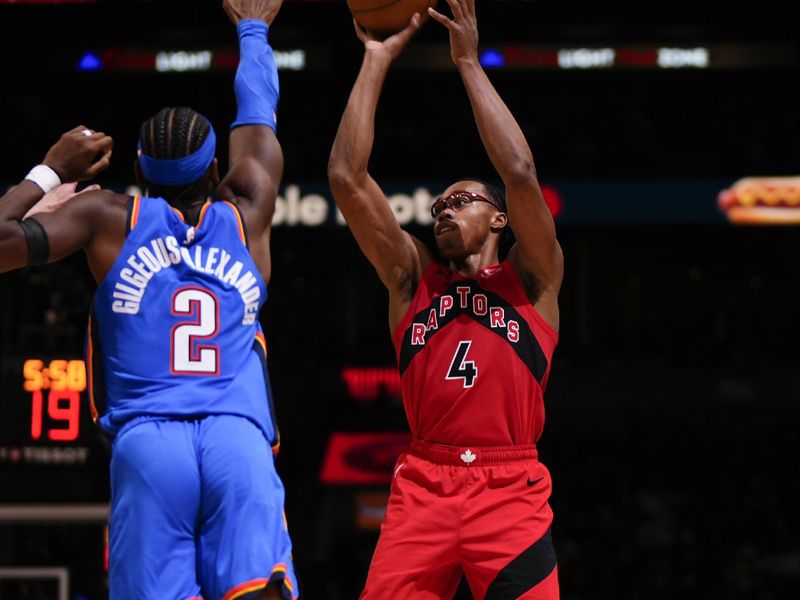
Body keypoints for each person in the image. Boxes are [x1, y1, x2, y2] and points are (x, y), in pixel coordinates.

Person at [0, 1, 297, 598]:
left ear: (138, 166)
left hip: (149, 445)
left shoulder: (106, 217)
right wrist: (254, 29)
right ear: (216, 169)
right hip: (237, 438)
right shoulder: (249, 211)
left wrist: (50, 171)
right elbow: (258, 109)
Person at [328, 0, 563, 598]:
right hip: (423, 486)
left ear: (499, 220)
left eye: (461, 202)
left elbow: (518, 168)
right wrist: (376, 60)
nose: (444, 212)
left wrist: (468, 64)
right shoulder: (412, 281)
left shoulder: (532, 279)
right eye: (437, 208)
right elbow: (347, 178)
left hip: (510, 488)